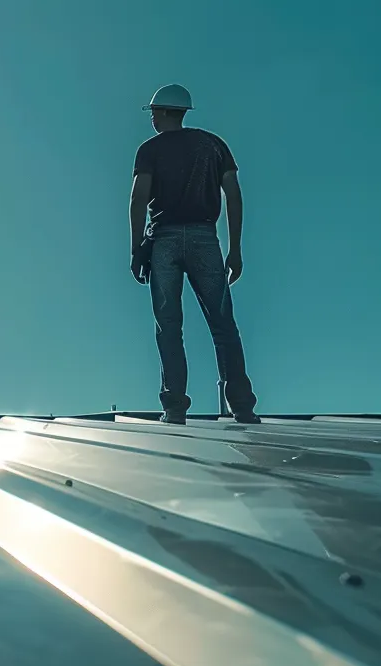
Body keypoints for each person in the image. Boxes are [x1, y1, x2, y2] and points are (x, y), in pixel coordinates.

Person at [129, 84, 261, 425]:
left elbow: (138, 199)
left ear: (163, 113)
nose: (153, 117)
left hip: (164, 240)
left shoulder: (149, 150)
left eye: (154, 112)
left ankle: (174, 407)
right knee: (223, 325)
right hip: (206, 238)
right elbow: (233, 195)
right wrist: (235, 249)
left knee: (169, 326)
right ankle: (243, 406)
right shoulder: (213, 144)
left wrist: (134, 249)